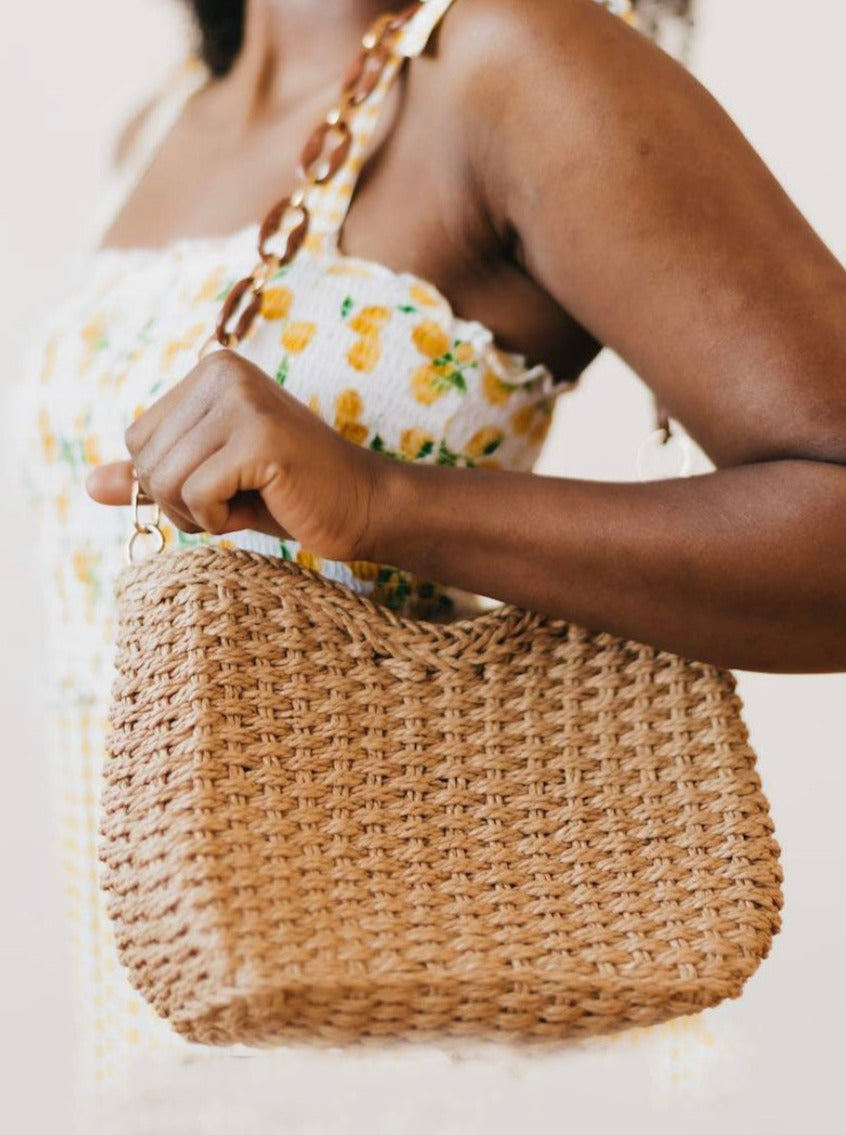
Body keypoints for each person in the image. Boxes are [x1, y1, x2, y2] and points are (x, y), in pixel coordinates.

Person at [10, 0, 845, 1130]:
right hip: (155, 1043)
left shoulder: (509, 61)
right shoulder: (164, 117)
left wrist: (385, 502)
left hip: (417, 1035)